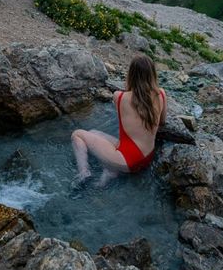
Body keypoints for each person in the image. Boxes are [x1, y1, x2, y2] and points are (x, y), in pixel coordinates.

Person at [71, 53, 166, 187]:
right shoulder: (161, 94)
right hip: (146, 157)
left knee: (78, 135)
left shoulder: (119, 97)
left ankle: (84, 173)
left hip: (127, 160)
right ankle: (110, 171)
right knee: (93, 132)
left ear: (131, 74)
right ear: (152, 74)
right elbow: (162, 121)